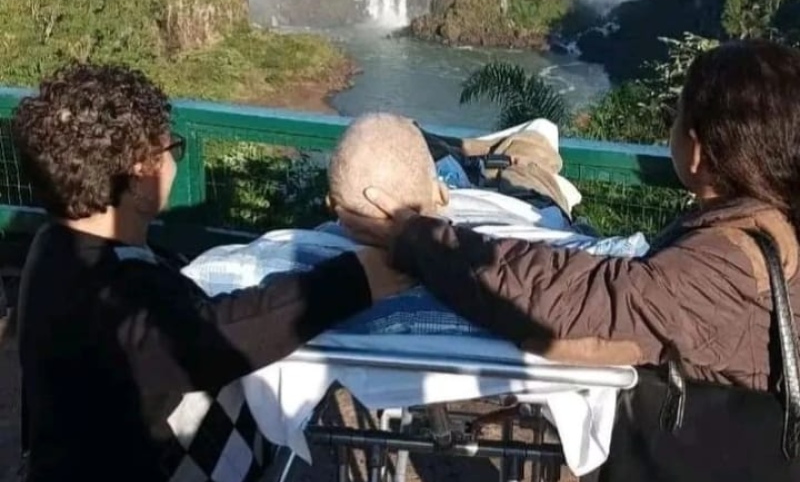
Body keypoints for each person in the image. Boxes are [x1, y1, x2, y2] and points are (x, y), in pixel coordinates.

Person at [339, 39, 800, 482]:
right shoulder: (765, 224)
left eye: (676, 114)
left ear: (698, 149)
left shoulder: (728, 263)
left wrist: (416, 237)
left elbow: (565, 303)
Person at [11, 63, 410, 482]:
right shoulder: (105, 299)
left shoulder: (55, 248)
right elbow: (211, 337)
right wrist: (362, 277)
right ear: (139, 175)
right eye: (169, 147)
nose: (173, 159)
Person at [185, 112, 646, 345]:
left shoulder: (270, 266)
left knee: (430, 151)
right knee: (531, 148)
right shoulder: (529, 266)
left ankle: (451, 152)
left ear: (332, 208)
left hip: (427, 195)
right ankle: (487, 152)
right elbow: (626, 279)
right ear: (440, 200)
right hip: (511, 206)